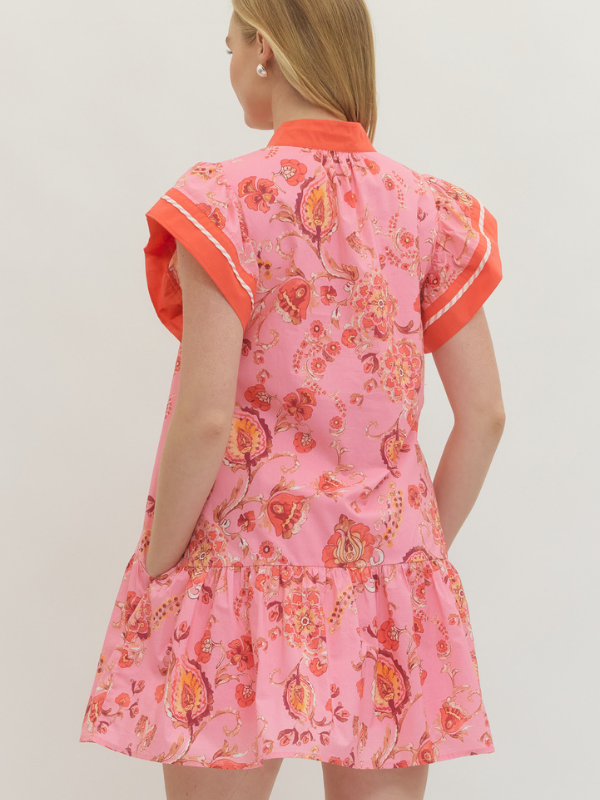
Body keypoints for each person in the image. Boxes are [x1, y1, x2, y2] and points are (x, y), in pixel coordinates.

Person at [79, 2, 505, 799]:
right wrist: (412, 555)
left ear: (263, 48)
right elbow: (485, 417)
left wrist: (159, 564)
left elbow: (208, 419)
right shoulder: (426, 209)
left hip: (236, 570)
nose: (232, 63)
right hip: (384, 575)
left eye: (232, 44)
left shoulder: (225, 201)